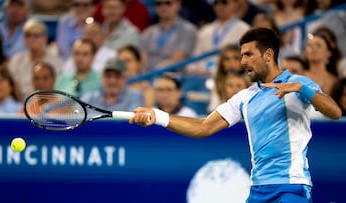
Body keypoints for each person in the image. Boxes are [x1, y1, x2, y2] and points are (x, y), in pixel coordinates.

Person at [130, 28, 342, 202]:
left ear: (268, 55)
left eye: (248, 54)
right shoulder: (245, 97)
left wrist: (301, 89)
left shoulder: (299, 84)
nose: (242, 62)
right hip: (258, 189)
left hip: (291, 187)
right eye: (241, 55)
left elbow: (334, 112)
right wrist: (157, 116)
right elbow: (204, 127)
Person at [188, 0, 249, 75]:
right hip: (202, 75)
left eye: (224, 2)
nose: (219, 6)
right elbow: (195, 58)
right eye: (216, 3)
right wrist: (194, 70)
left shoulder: (244, 30)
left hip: (230, 76)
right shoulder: (205, 30)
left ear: (235, 4)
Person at [8, 19, 63, 99]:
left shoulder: (57, 62)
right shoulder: (16, 60)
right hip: (21, 104)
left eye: (36, 35)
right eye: (28, 35)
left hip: (48, 104)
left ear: (45, 38)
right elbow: (11, 87)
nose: (32, 39)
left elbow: (59, 89)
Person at [141, 0, 197, 71]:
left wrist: (154, 72)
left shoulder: (188, 30)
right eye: (159, 4)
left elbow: (177, 60)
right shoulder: (149, 32)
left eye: (168, 3)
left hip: (173, 75)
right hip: (147, 75)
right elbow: (143, 60)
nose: (163, 7)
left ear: (178, 4)